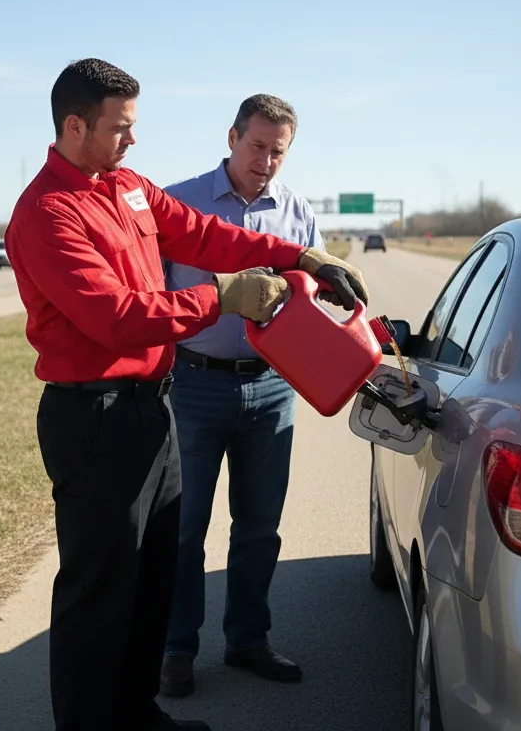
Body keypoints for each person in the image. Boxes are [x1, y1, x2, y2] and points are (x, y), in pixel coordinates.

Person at [4, 59, 367, 731]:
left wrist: (299, 257)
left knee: (150, 576)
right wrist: (221, 296)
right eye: (120, 128)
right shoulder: (47, 212)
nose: (132, 142)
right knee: (99, 590)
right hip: (94, 417)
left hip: (150, 407)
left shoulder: (128, 187)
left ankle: (137, 714)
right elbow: (116, 315)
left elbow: (203, 233)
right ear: (74, 125)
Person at [158, 95, 367, 697]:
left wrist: (336, 296)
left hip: (273, 386)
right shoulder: (180, 203)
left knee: (258, 527)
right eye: (257, 146)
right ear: (232, 137)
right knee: (183, 527)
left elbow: (319, 287)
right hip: (193, 384)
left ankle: (248, 640)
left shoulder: (297, 212)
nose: (267, 160)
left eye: (279, 151)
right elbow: (153, 294)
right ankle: (176, 648)